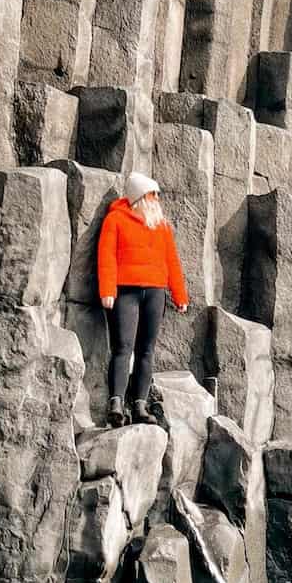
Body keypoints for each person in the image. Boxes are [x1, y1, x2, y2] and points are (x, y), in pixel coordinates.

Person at [96, 171, 189, 427]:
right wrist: (107, 291)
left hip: (155, 293)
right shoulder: (115, 220)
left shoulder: (161, 226)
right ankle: (116, 402)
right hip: (126, 292)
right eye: (152, 195)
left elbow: (172, 262)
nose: (157, 200)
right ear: (139, 197)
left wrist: (179, 295)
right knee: (123, 347)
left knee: (146, 350)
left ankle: (139, 404)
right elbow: (106, 257)